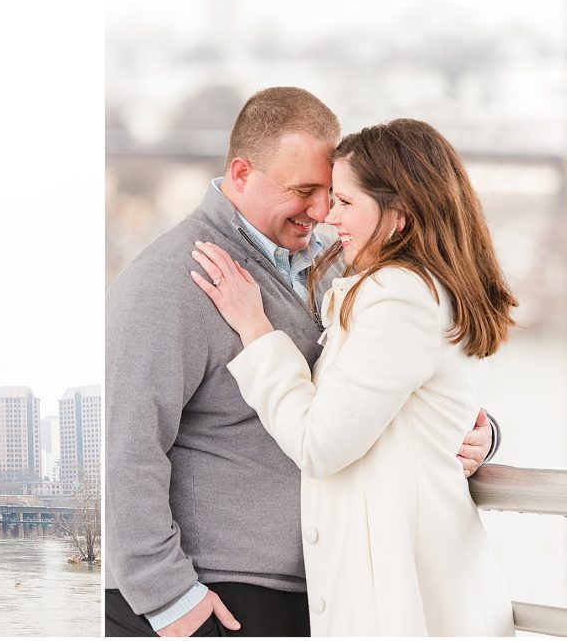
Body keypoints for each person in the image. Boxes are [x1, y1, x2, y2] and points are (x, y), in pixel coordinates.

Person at [105, 88, 498, 637]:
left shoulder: (346, 265)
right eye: (305, 191)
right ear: (241, 174)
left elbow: (395, 385)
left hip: (327, 590)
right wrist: (168, 596)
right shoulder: (171, 281)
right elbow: (124, 444)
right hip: (223, 594)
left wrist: (474, 431)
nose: (320, 211)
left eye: (332, 194)